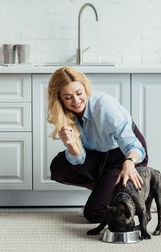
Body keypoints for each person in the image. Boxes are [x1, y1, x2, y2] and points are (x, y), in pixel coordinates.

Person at [48, 67, 149, 223]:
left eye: (79, 93)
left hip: (124, 155)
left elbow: (131, 144)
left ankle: (130, 196)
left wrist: (129, 162)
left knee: (94, 213)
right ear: (60, 99)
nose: (75, 101)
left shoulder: (104, 107)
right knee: (59, 166)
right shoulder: (64, 114)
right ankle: (112, 190)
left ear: (85, 88)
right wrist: (72, 146)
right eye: (68, 97)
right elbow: (79, 160)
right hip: (100, 155)